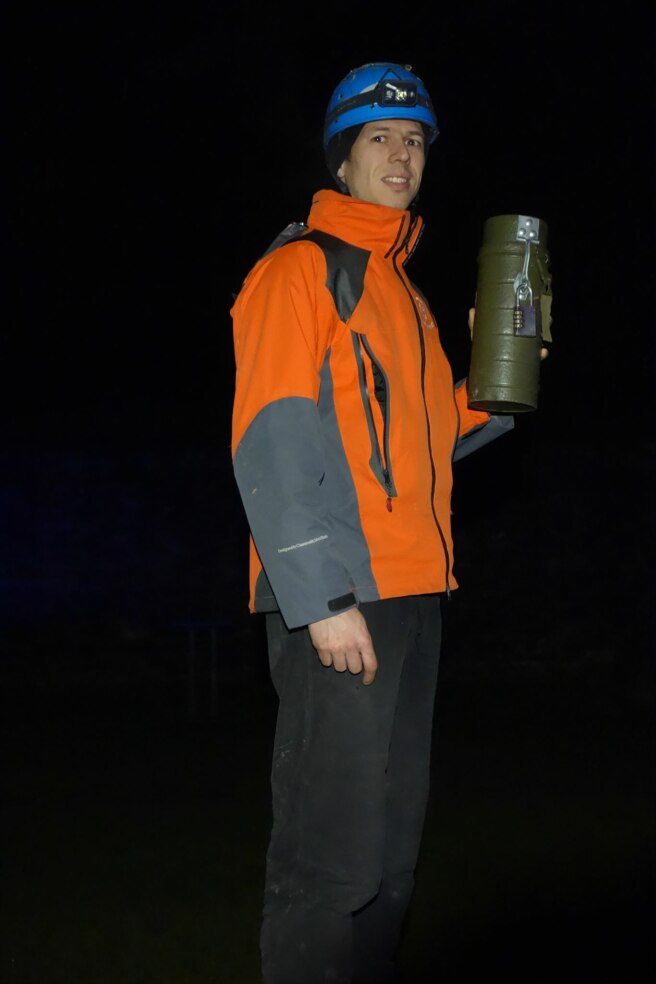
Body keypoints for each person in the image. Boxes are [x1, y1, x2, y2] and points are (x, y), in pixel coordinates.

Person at [231, 62, 516, 984]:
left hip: (414, 596)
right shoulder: (300, 271)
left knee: (390, 870)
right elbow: (270, 441)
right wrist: (322, 600)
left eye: (415, 139)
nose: (401, 155)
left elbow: (421, 445)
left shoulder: (406, 294)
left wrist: (504, 384)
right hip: (341, 601)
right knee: (330, 868)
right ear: (342, 159)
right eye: (380, 138)